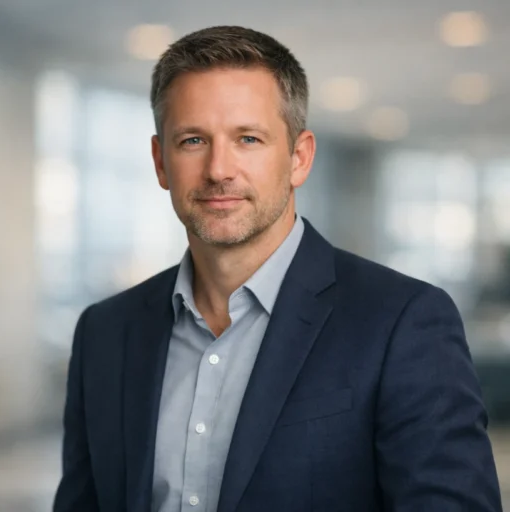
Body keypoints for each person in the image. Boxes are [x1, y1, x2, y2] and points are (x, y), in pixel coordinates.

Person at [52, 25, 502, 512]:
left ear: (299, 158)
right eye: (192, 140)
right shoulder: (104, 332)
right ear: (161, 162)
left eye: (248, 138)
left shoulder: (404, 323)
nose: (219, 169)